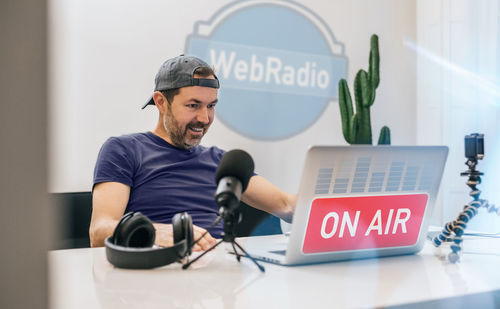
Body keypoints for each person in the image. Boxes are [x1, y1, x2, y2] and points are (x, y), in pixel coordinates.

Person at [89, 55, 297, 251]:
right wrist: (157, 232)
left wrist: (326, 193)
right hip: (158, 271)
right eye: (193, 105)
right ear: (161, 102)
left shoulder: (221, 161)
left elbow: (287, 206)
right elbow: (99, 232)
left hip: (219, 272)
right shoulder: (124, 150)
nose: (204, 118)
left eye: (211, 106)